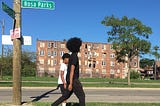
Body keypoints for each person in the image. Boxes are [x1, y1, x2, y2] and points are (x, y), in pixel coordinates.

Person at [51, 37, 85, 106]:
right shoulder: (74, 56)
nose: (80, 48)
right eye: (79, 46)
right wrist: (71, 84)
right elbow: (72, 70)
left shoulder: (71, 56)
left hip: (70, 80)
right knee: (82, 96)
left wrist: (69, 82)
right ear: (76, 47)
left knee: (65, 96)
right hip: (74, 80)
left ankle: (53, 105)